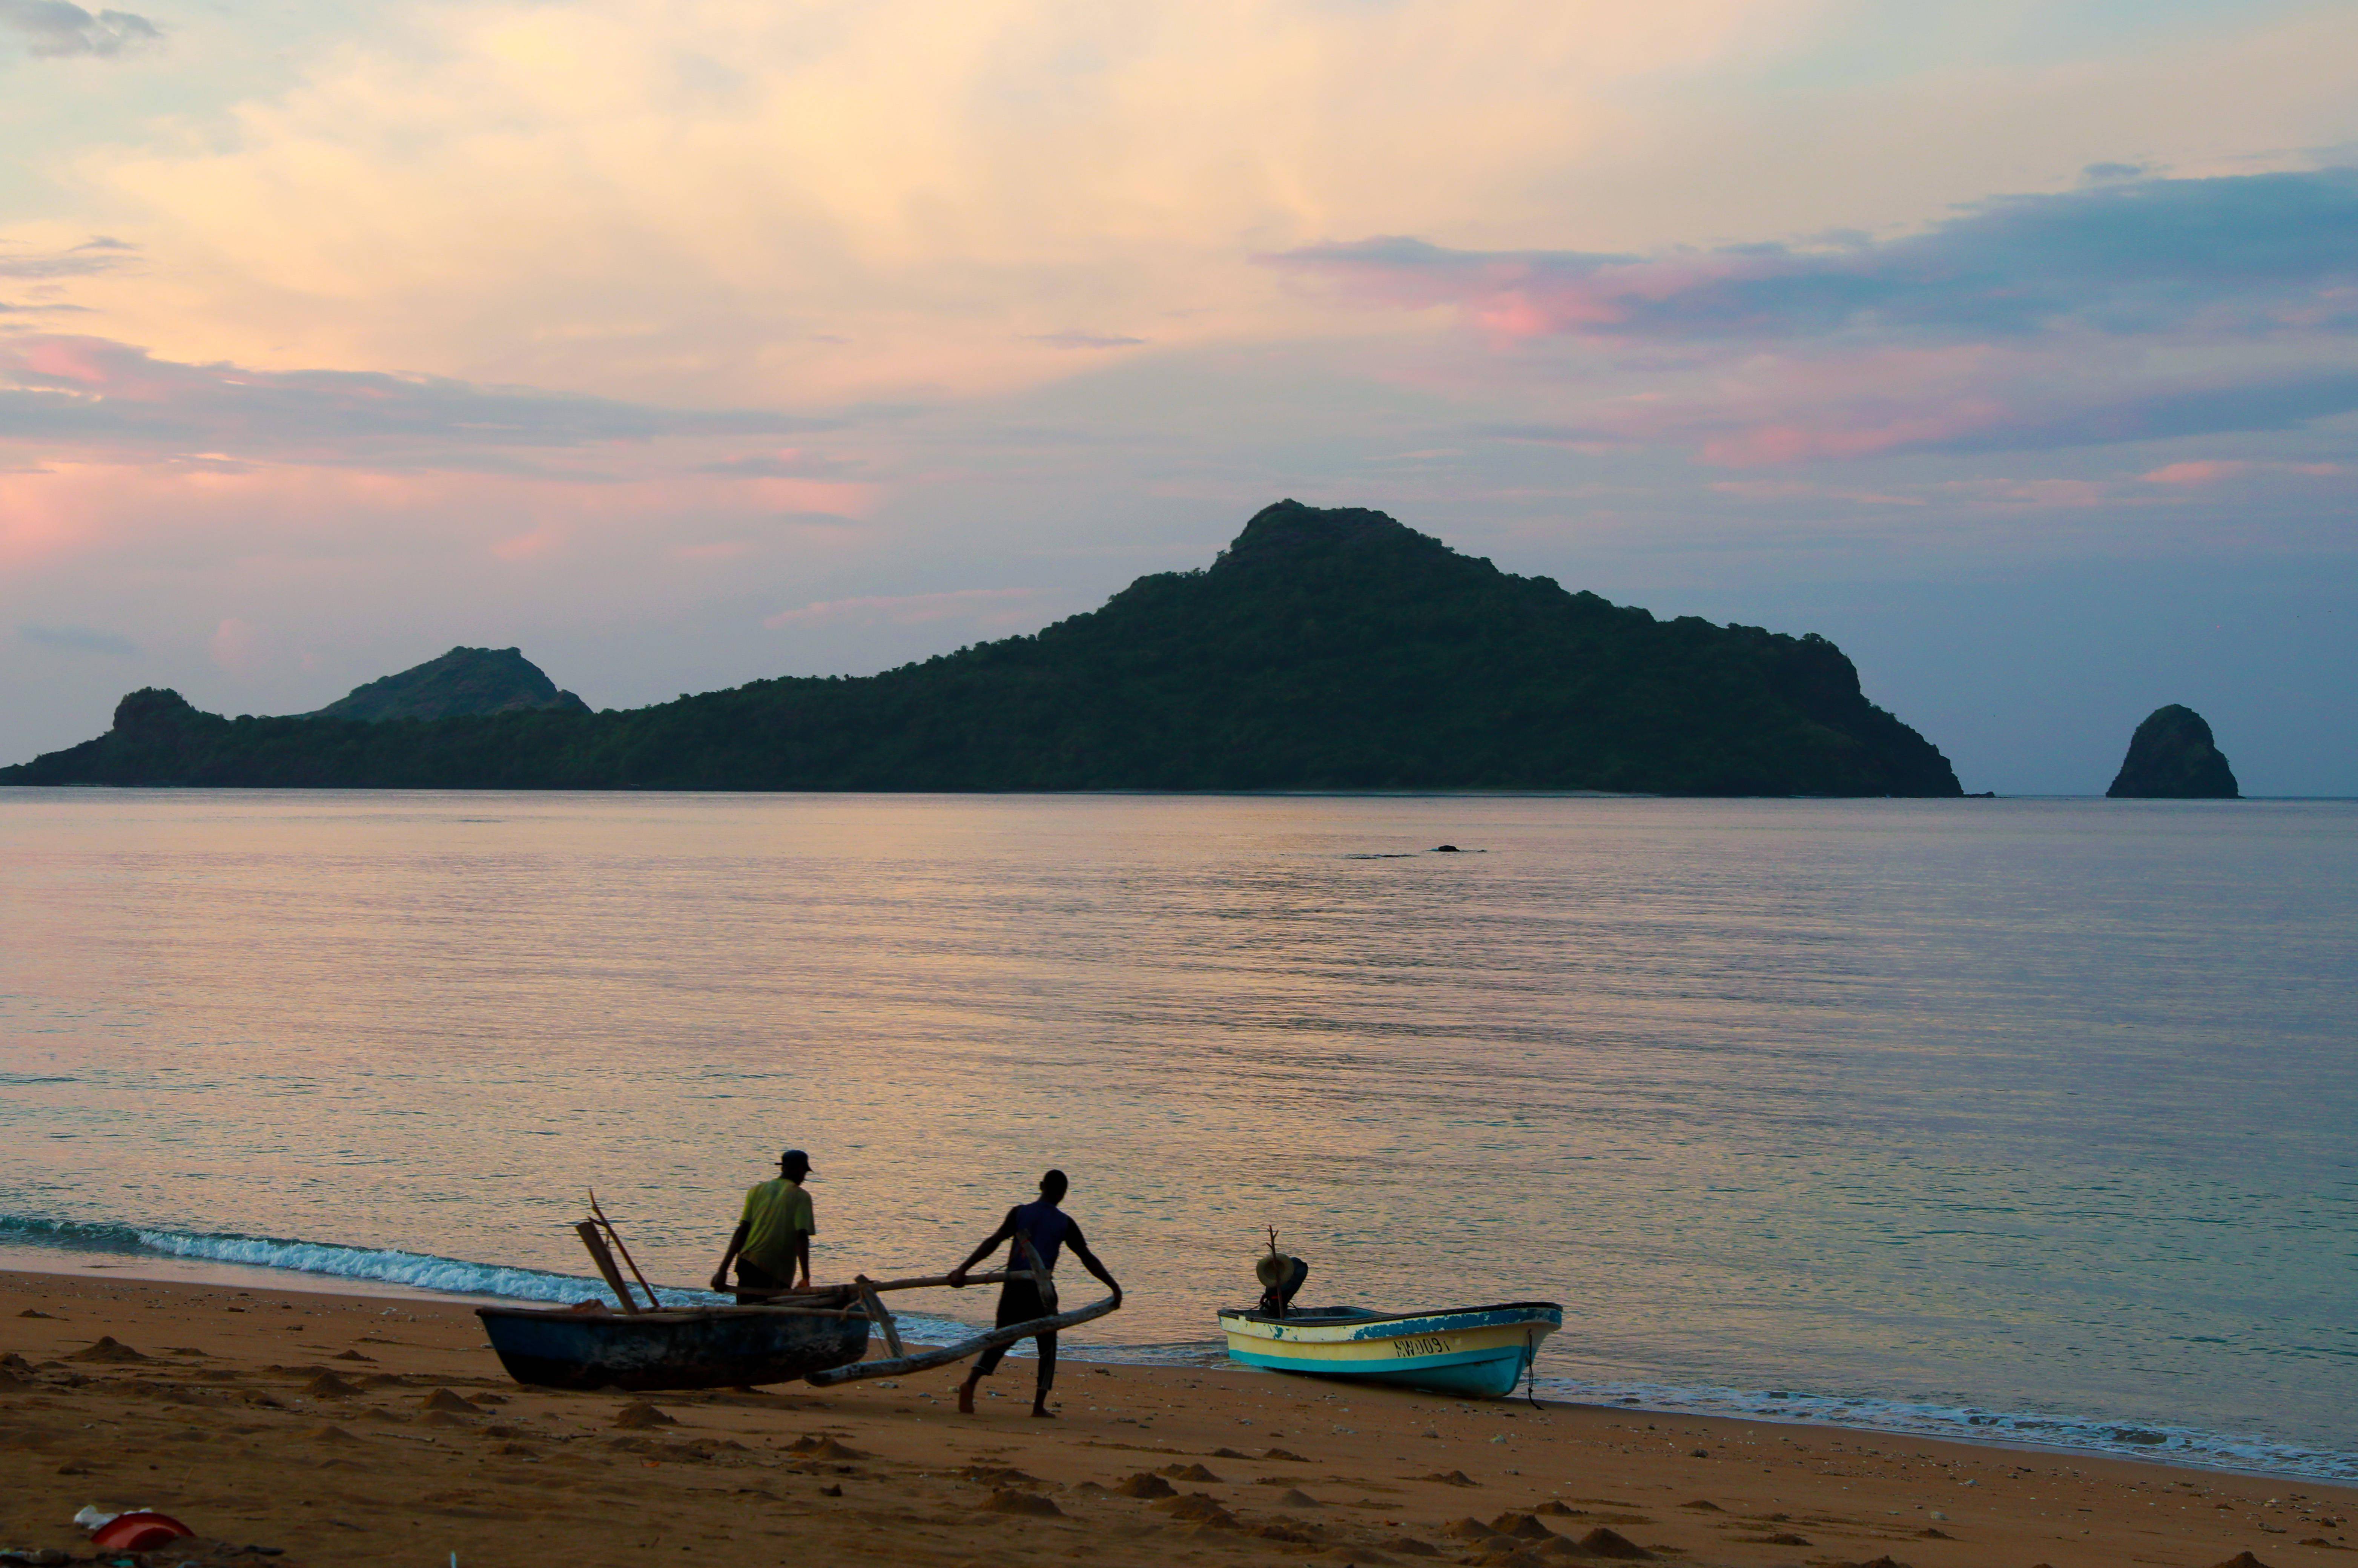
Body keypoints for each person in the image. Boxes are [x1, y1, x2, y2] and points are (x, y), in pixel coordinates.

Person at [946, 1168, 1120, 1418]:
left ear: (1041, 1186)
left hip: (1013, 1289)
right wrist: (1113, 1286)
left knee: (1000, 1339)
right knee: (1047, 1346)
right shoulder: (1065, 1223)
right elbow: (1087, 1258)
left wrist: (963, 1269)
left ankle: (971, 1383)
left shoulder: (1020, 1213)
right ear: (1063, 1195)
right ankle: (1038, 1406)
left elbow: (992, 1242)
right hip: (1042, 1292)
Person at [710, 1148, 815, 1303]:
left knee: (745, 1314)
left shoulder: (756, 1190)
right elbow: (801, 1237)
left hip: (747, 1263)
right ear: (799, 1170)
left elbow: (742, 1232)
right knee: (769, 1314)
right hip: (774, 1269)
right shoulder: (801, 1196)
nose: (804, 1177)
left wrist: (722, 1271)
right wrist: (806, 1277)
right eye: (804, 1172)